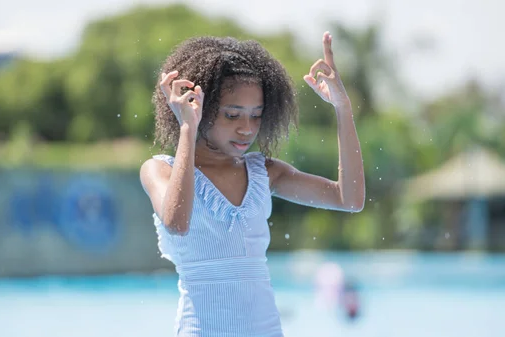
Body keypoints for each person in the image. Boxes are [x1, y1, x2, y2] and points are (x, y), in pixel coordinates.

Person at [140, 31, 365, 337]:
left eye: (256, 116)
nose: (247, 129)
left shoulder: (264, 172)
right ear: (198, 106)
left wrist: (343, 108)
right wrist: (186, 129)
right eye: (232, 115)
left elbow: (348, 198)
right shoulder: (158, 170)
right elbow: (177, 222)